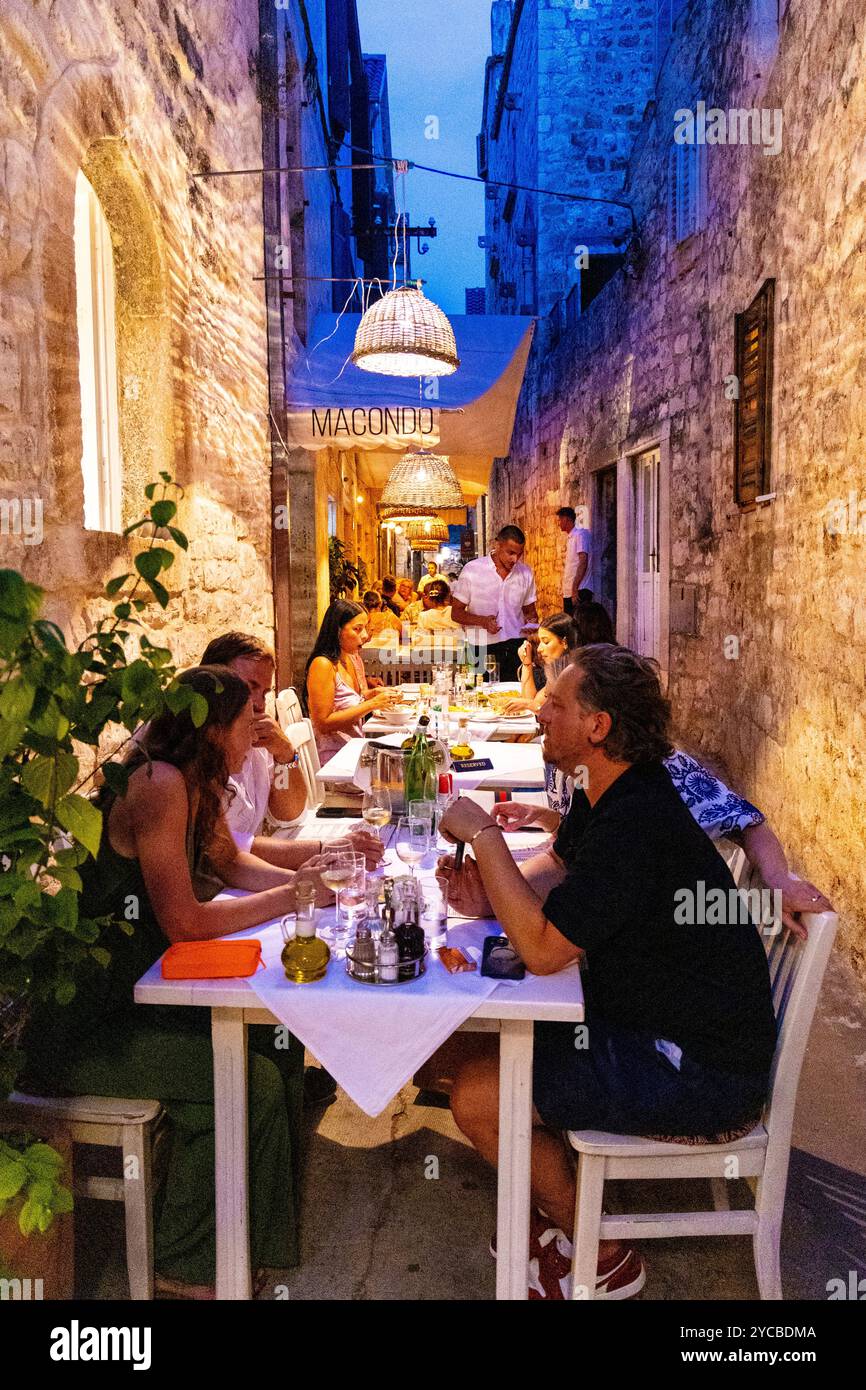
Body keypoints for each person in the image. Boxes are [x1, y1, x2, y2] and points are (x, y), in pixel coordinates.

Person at [438, 646, 780, 1300]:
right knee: (451, 1051)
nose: (541, 707)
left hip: (697, 1069)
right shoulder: (614, 788)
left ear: (598, 727)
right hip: (649, 1022)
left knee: (476, 1095)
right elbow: (555, 873)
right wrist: (483, 895)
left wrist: (484, 838)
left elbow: (542, 952)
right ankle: (552, 1197)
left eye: (558, 702)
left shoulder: (635, 819)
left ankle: (599, 1249)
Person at [23, 666, 333, 1299]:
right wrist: (293, 898)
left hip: (145, 994)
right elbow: (187, 922)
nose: (259, 727)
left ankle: (249, 1247)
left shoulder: (192, 777)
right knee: (245, 1080)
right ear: (213, 728)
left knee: (277, 1042)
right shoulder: (158, 784)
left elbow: (229, 863)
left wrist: (312, 882)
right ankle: (188, 1269)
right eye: (249, 719)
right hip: (95, 1018)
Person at [305, 600, 401, 762]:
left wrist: (372, 694)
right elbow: (323, 723)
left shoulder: (349, 658)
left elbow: (348, 699)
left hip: (355, 750)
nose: (365, 635)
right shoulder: (322, 664)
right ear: (337, 630)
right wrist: (372, 704)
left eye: (365, 628)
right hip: (335, 760)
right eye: (357, 629)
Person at [450, 524, 539, 681]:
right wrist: (483, 621)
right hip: (478, 646)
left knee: (514, 696)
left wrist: (532, 625)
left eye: (519, 554)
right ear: (497, 545)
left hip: (515, 647)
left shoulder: (525, 573)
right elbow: (455, 613)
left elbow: (530, 612)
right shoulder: (473, 570)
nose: (515, 559)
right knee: (475, 698)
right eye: (510, 553)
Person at [504, 611, 578, 714]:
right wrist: (527, 664)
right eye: (540, 642)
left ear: (564, 642)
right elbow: (532, 701)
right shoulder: (557, 669)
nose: (539, 649)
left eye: (546, 642)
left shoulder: (575, 672)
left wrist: (528, 705)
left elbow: (560, 714)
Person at [557, 506, 594, 612]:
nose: (559, 523)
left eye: (560, 520)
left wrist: (574, 589)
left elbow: (583, 561)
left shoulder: (580, 535)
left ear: (566, 519)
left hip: (580, 590)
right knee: (570, 625)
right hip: (570, 591)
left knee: (579, 625)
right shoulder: (571, 537)